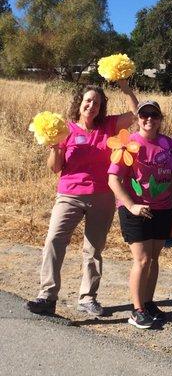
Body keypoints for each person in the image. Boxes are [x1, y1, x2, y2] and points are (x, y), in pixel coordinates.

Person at [25, 80, 138, 316]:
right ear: (79, 103)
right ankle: (47, 296)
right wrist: (56, 148)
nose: (92, 106)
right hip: (69, 194)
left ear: (101, 107)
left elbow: (137, 114)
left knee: (94, 249)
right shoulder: (65, 129)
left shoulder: (108, 126)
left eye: (96, 103)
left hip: (102, 197)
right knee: (54, 240)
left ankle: (88, 298)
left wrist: (126, 88)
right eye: (88, 101)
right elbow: (55, 168)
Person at [108, 101, 172, 329]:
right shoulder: (128, 144)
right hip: (135, 210)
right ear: (138, 118)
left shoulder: (167, 144)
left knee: (155, 259)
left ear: (160, 118)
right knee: (142, 259)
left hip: (163, 210)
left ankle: (148, 303)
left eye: (154, 115)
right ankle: (136, 310)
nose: (149, 119)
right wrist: (131, 206)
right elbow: (113, 180)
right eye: (144, 115)